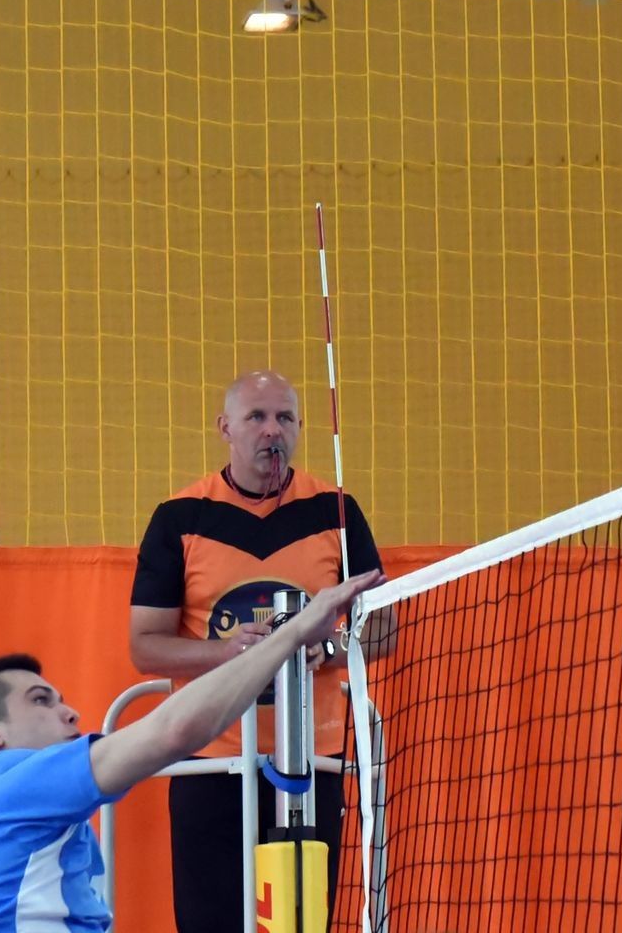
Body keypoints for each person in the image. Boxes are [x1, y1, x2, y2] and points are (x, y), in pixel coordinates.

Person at [0, 570, 383, 933]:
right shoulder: (9, 782)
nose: (71, 713)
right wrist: (293, 633)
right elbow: (173, 731)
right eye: (41, 701)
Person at [128, 370, 394, 933]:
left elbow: (384, 630)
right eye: (256, 417)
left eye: (285, 418)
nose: (272, 430)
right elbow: (145, 647)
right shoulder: (180, 517)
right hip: (209, 759)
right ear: (225, 427)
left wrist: (328, 646)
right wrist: (230, 653)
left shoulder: (336, 511)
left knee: (302, 923)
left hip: (312, 762)